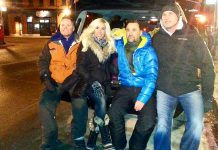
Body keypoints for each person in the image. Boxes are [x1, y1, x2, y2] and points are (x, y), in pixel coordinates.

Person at [152, 3, 216, 150]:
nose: (166, 17)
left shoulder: (192, 35)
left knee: (196, 124)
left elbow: (207, 65)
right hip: (164, 89)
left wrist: (207, 97)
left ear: (178, 16)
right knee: (162, 125)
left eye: (170, 14)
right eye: (164, 14)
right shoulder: (157, 38)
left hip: (189, 89)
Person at [38, 16, 88, 150]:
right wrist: (45, 77)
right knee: (44, 106)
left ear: (73, 28)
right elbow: (43, 61)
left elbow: (84, 63)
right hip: (55, 81)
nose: (65, 28)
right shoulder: (51, 42)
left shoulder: (81, 42)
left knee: (81, 105)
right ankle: (50, 140)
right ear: (59, 27)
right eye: (63, 25)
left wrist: (79, 78)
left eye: (68, 25)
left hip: (73, 81)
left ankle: (77, 139)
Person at [108, 20, 158, 150]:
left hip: (143, 87)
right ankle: (119, 145)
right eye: (128, 30)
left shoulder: (148, 50)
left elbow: (151, 77)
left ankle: (135, 146)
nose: (130, 33)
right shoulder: (119, 44)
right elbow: (105, 37)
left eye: (134, 30)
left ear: (141, 32)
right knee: (113, 114)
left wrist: (142, 99)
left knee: (148, 122)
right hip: (125, 87)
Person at [75, 18, 116, 150]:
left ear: (106, 30)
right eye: (97, 27)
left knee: (102, 109)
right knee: (102, 101)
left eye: (103, 28)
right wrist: (93, 82)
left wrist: (113, 77)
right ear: (92, 28)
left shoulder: (109, 45)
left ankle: (92, 138)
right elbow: (80, 67)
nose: (100, 31)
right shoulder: (85, 43)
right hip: (89, 82)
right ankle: (106, 138)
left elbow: (111, 67)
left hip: (105, 83)